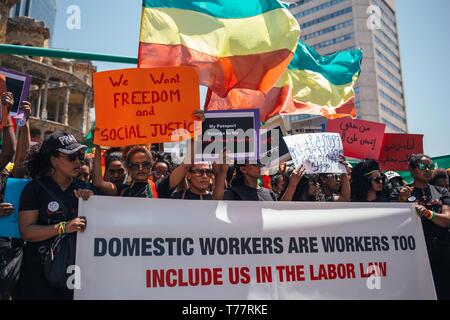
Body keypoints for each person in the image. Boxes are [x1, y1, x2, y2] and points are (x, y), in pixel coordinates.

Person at [14, 132, 94, 300]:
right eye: (72, 156)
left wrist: (91, 203)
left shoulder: (85, 191)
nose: (79, 161)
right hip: (38, 275)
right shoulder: (34, 189)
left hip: (74, 273)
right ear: (54, 160)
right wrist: (64, 227)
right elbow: (27, 232)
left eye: (80, 155)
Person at [397, 154, 450, 300]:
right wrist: (401, 201)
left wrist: (428, 213)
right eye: (423, 166)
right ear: (412, 170)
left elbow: (446, 220)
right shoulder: (403, 193)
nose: (428, 170)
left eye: (430, 167)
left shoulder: (442, 192)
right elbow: (396, 224)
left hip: (443, 250)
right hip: (416, 251)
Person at [93, 145, 157, 198]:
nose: (140, 168)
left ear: (151, 165)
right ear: (128, 168)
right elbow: (98, 183)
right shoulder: (123, 190)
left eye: (145, 164)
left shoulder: (158, 187)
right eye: (135, 165)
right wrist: (97, 148)